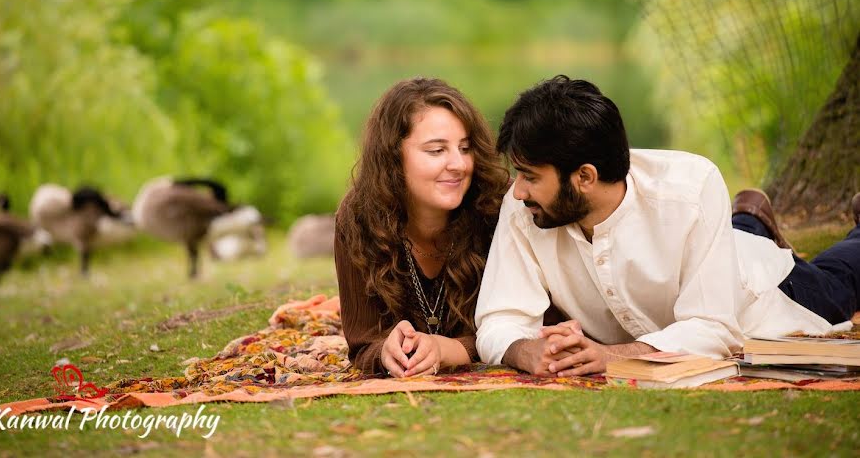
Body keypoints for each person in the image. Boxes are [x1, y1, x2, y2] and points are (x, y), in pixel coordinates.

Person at [474, 75, 859, 377]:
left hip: (760, 291)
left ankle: (754, 225)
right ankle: (747, 219)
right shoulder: (526, 205)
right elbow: (498, 319)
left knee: (840, 282)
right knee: (730, 233)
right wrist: (527, 351)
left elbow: (712, 328)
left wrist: (611, 356)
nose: (518, 190)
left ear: (585, 177)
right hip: (713, 248)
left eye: (529, 177)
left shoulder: (690, 187)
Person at [335, 77, 508, 377]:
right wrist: (386, 350)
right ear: (393, 156)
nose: (459, 164)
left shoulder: (498, 209)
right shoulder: (359, 217)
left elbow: (530, 325)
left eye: (465, 148)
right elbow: (362, 343)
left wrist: (451, 349)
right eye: (436, 150)